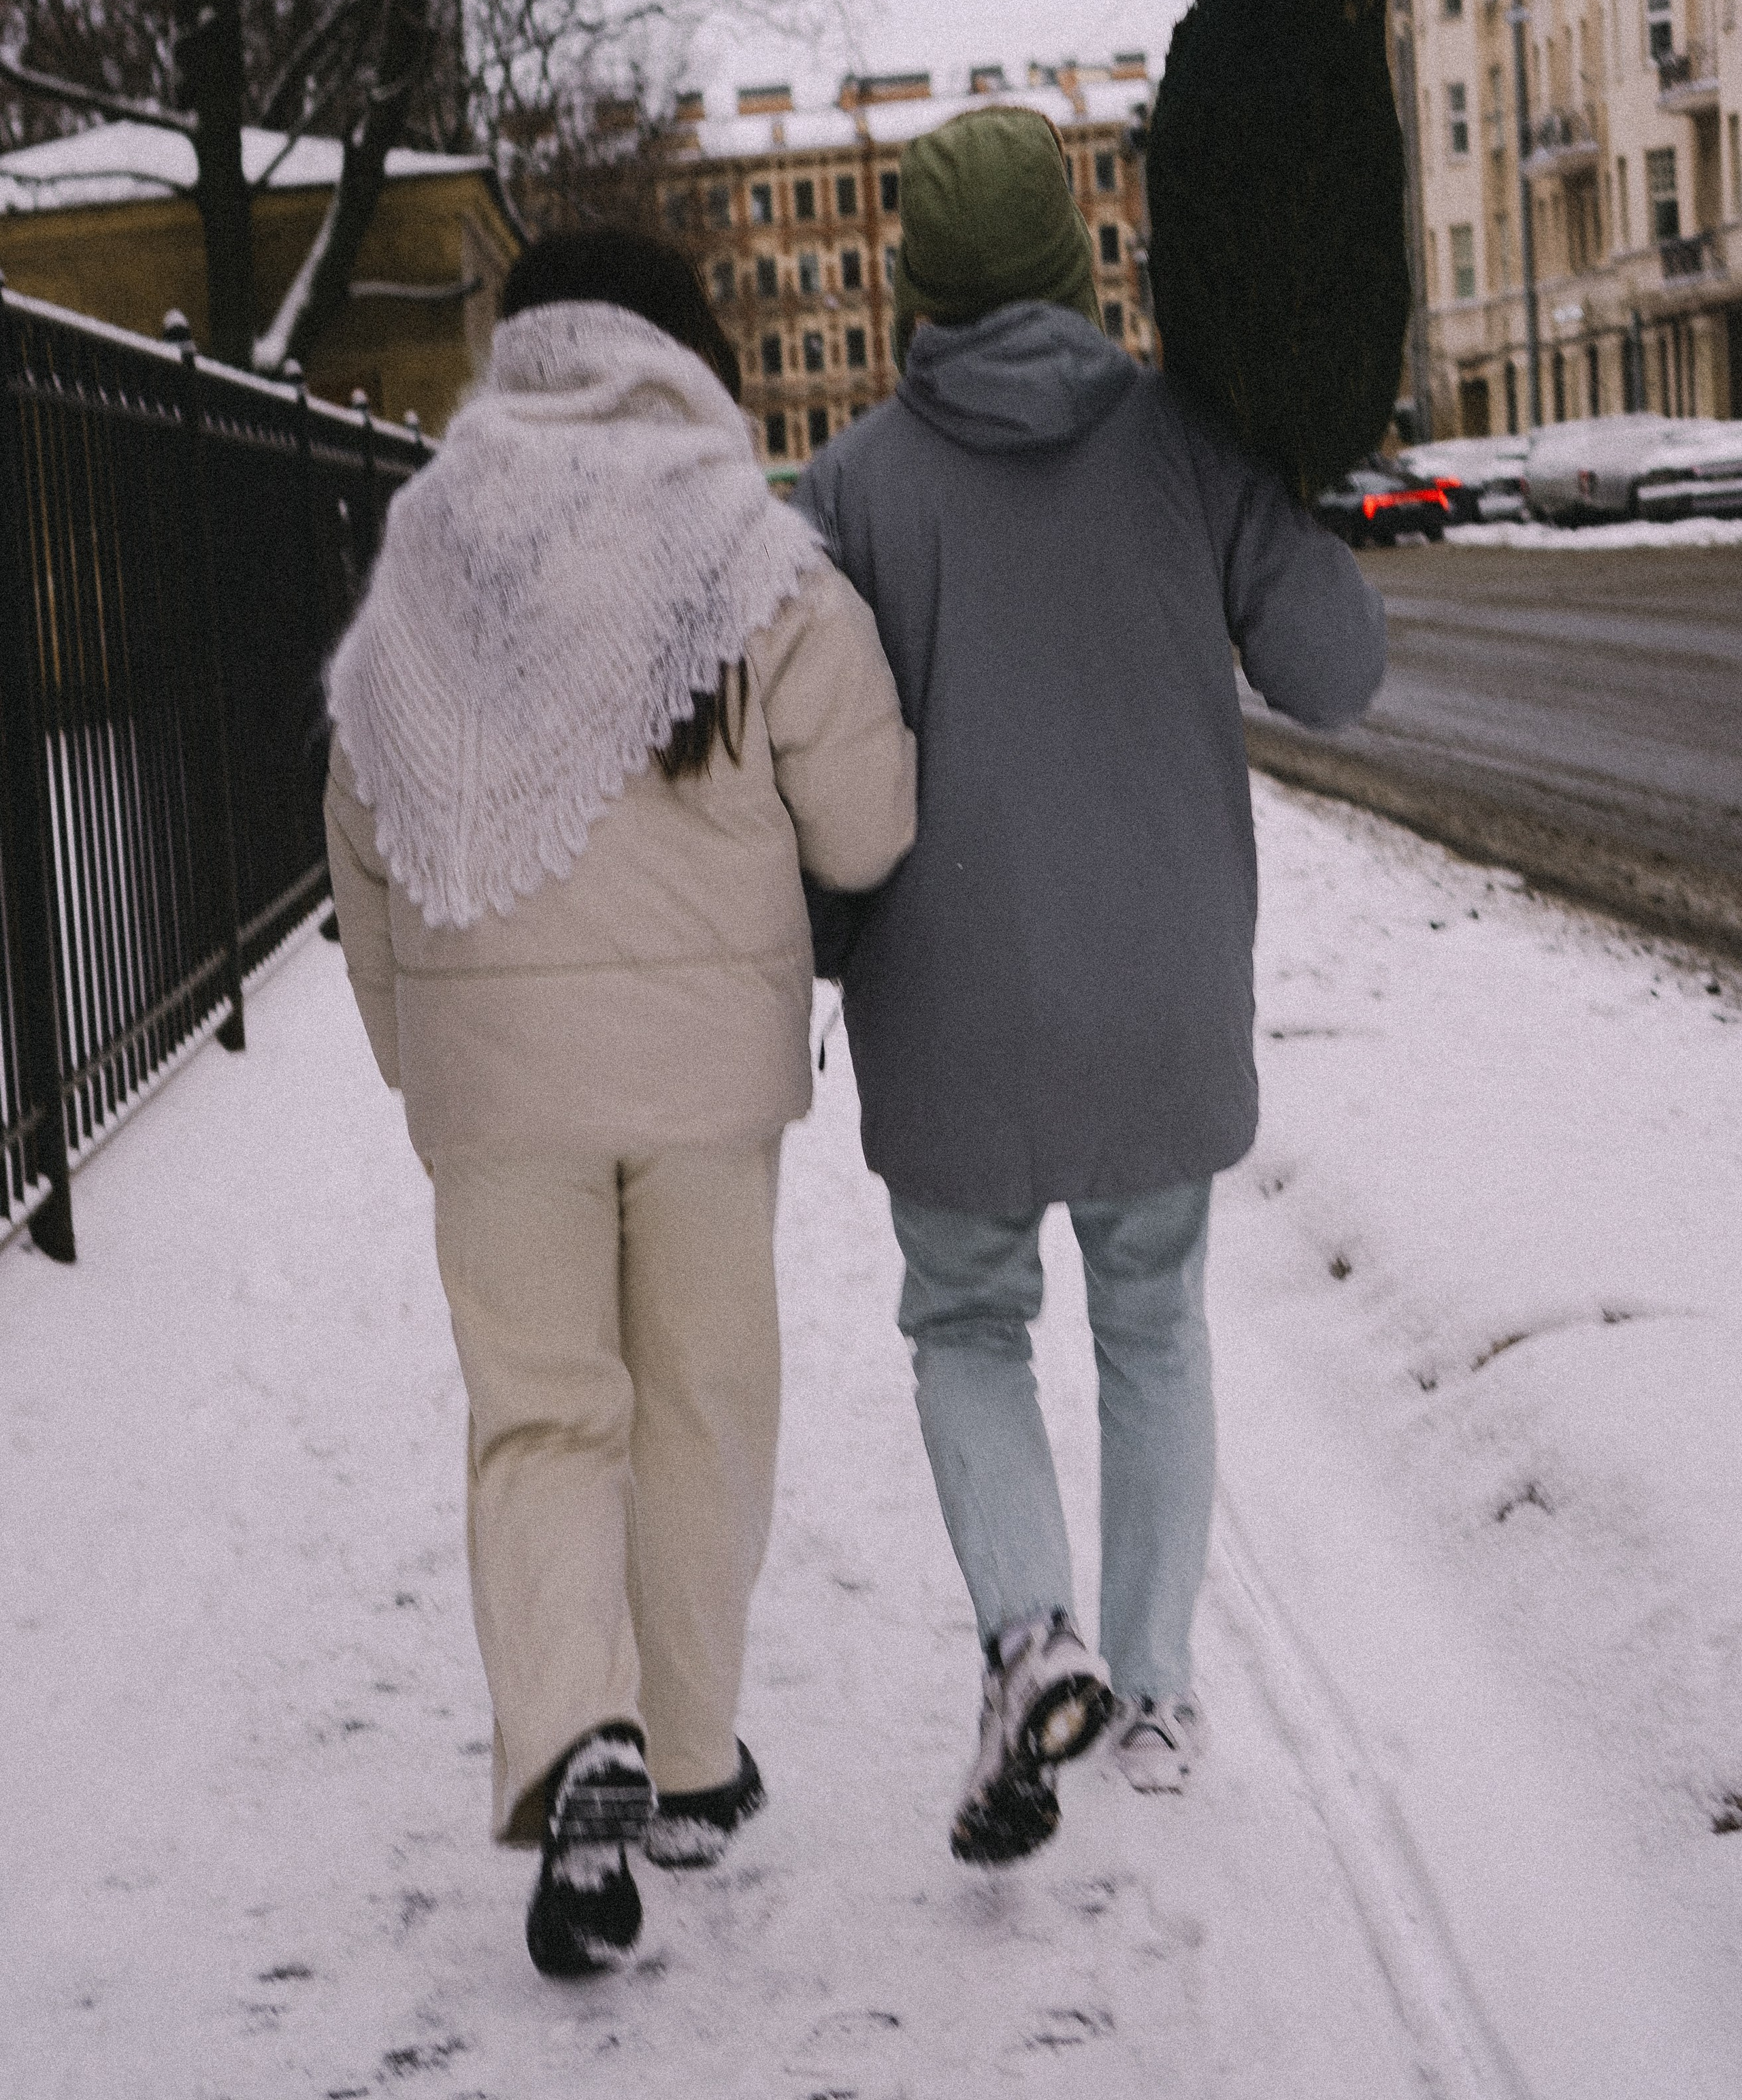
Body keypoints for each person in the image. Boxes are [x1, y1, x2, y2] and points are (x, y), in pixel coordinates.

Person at [793, 106, 1385, 1865]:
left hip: (951, 997)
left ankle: (1028, 1628)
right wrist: (1292, 496)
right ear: (1079, 258)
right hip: (1160, 998)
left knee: (967, 1324)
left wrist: (821, 957)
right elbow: (1340, 675)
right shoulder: (1195, 446)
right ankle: (1153, 1686)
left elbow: (821, 768)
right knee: (1153, 1324)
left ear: (908, 278)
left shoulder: (851, 488)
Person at [323, 226, 916, 1975]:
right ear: (685, 348)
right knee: (699, 1405)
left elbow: (366, 817)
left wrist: (413, 1052)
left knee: (538, 1417)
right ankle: (689, 1763)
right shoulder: (755, 552)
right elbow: (868, 829)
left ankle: (569, 1739)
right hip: (705, 1083)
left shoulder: (428, 548)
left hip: (495, 1084)